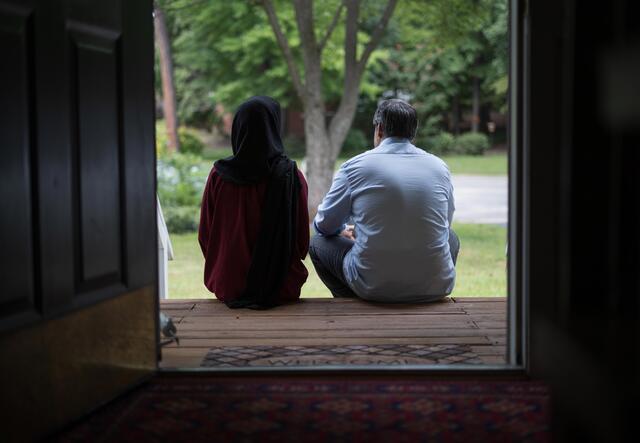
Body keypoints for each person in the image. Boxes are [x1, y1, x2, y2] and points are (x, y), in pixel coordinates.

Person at [309, 99, 459, 303]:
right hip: (436, 286)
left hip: (372, 285)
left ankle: (349, 302)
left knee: (318, 243)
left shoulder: (354, 167)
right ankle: (424, 286)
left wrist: (342, 231)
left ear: (379, 129)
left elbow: (324, 225)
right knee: (451, 237)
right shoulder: (440, 167)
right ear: (413, 134)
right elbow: (444, 224)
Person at [198, 96, 309, 309]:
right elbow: (302, 240)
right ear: (275, 127)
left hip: (228, 285)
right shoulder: (290, 176)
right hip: (280, 287)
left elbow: (205, 235)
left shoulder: (218, 176)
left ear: (238, 128)